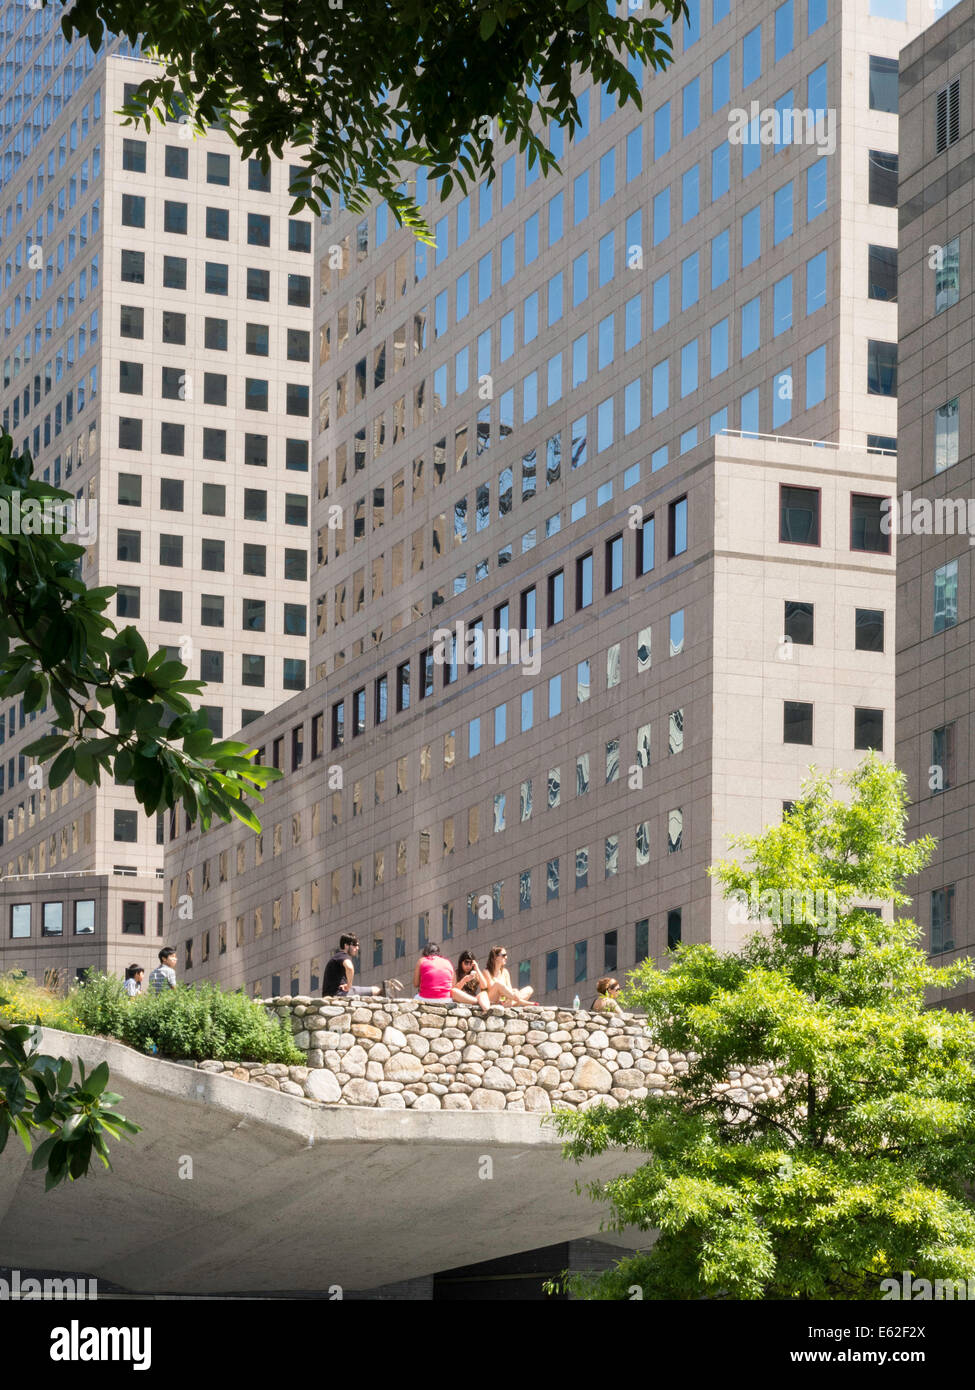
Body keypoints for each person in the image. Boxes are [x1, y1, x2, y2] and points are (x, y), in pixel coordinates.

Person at [322, 933, 402, 999]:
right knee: (377, 991)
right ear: (346, 945)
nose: (357, 948)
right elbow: (350, 968)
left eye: (358, 945)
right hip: (339, 993)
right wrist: (349, 986)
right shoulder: (342, 955)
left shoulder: (337, 957)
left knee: (374, 990)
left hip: (333, 993)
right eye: (354, 945)